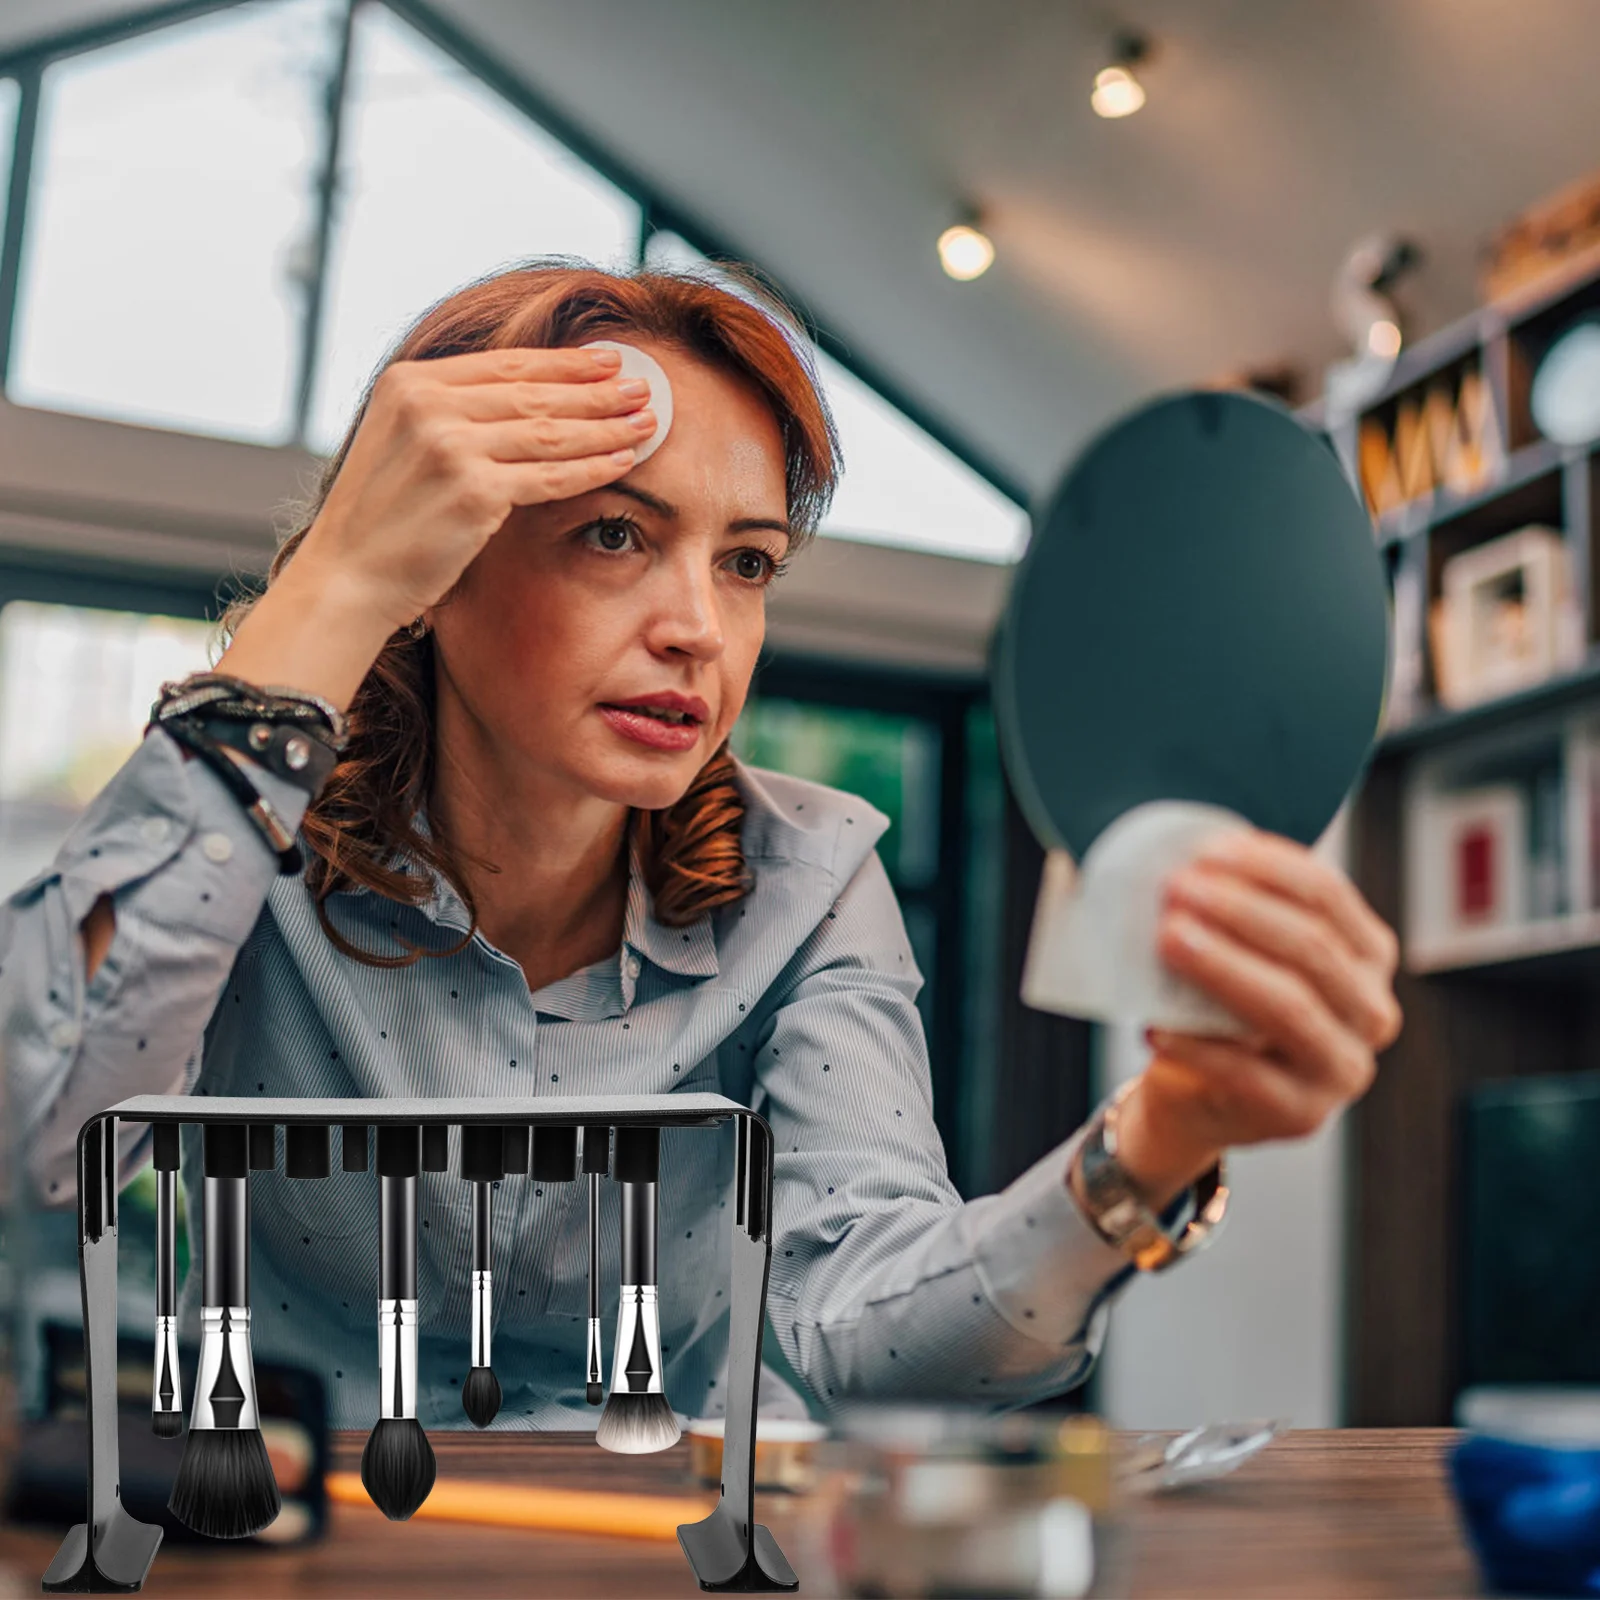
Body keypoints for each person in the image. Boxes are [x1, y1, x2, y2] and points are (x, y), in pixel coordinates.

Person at [0, 260, 1402, 1430]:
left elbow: (867, 1324)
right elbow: (29, 1143)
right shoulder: (239, 835)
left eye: (746, 562)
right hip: (293, 1537)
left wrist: (1161, 1140)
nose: (699, 628)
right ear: (434, 566)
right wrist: (336, 584)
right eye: (617, 535)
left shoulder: (810, 883)